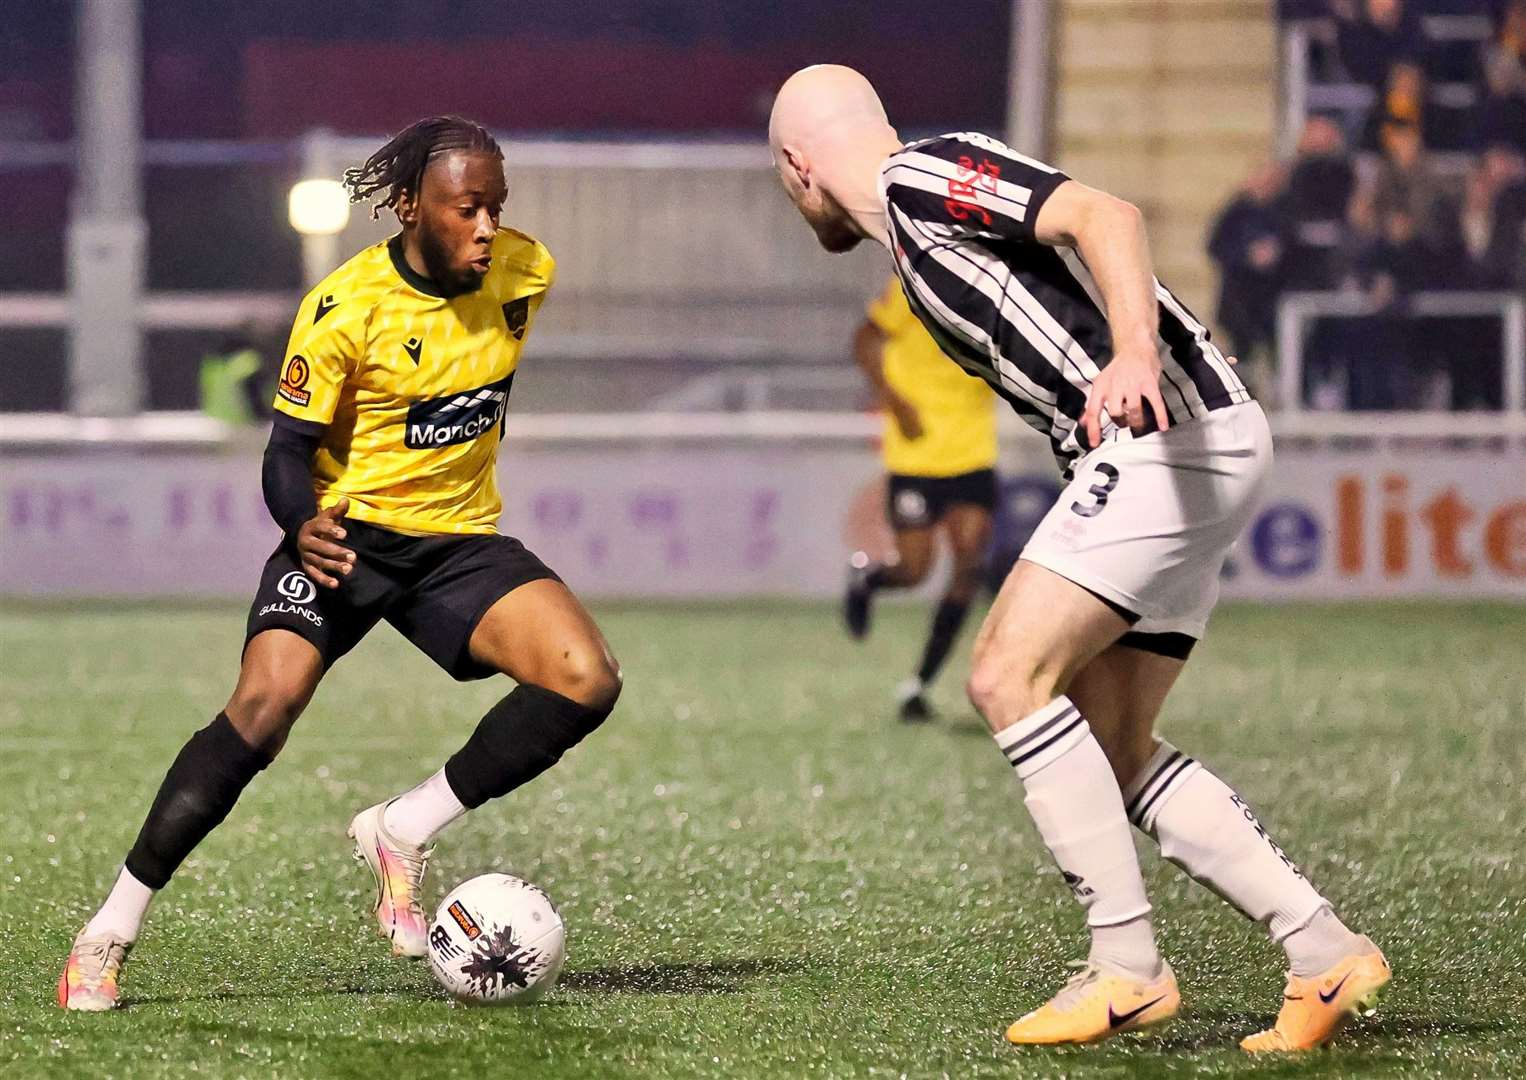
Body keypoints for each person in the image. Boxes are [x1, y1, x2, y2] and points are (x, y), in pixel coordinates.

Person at [769, 65, 1388, 1052]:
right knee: (1111, 750)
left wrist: (1134, 354)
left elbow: (1105, 214)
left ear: (797, 165)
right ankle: (1321, 952)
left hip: (1163, 441)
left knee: (1003, 677)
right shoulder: (913, 241)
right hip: (1187, 448)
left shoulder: (919, 178)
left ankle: (1125, 967)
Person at [58, 116, 622, 1010]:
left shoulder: (525, 272)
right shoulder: (343, 309)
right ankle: (109, 931)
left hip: (458, 542)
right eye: (467, 208)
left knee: (586, 678)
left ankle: (403, 827)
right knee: (261, 709)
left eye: (496, 208)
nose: (487, 228)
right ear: (408, 207)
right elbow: (286, 453)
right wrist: (301, 519)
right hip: (346, 537)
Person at [846, 277, 999, 722]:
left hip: (973, 453)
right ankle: (868, 580)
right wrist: (895, 403)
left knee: (968, 566)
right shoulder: (918, 281)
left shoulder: (999, 296)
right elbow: (864, 339)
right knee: (914, 571)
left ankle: (919, 685)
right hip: (916, 454)